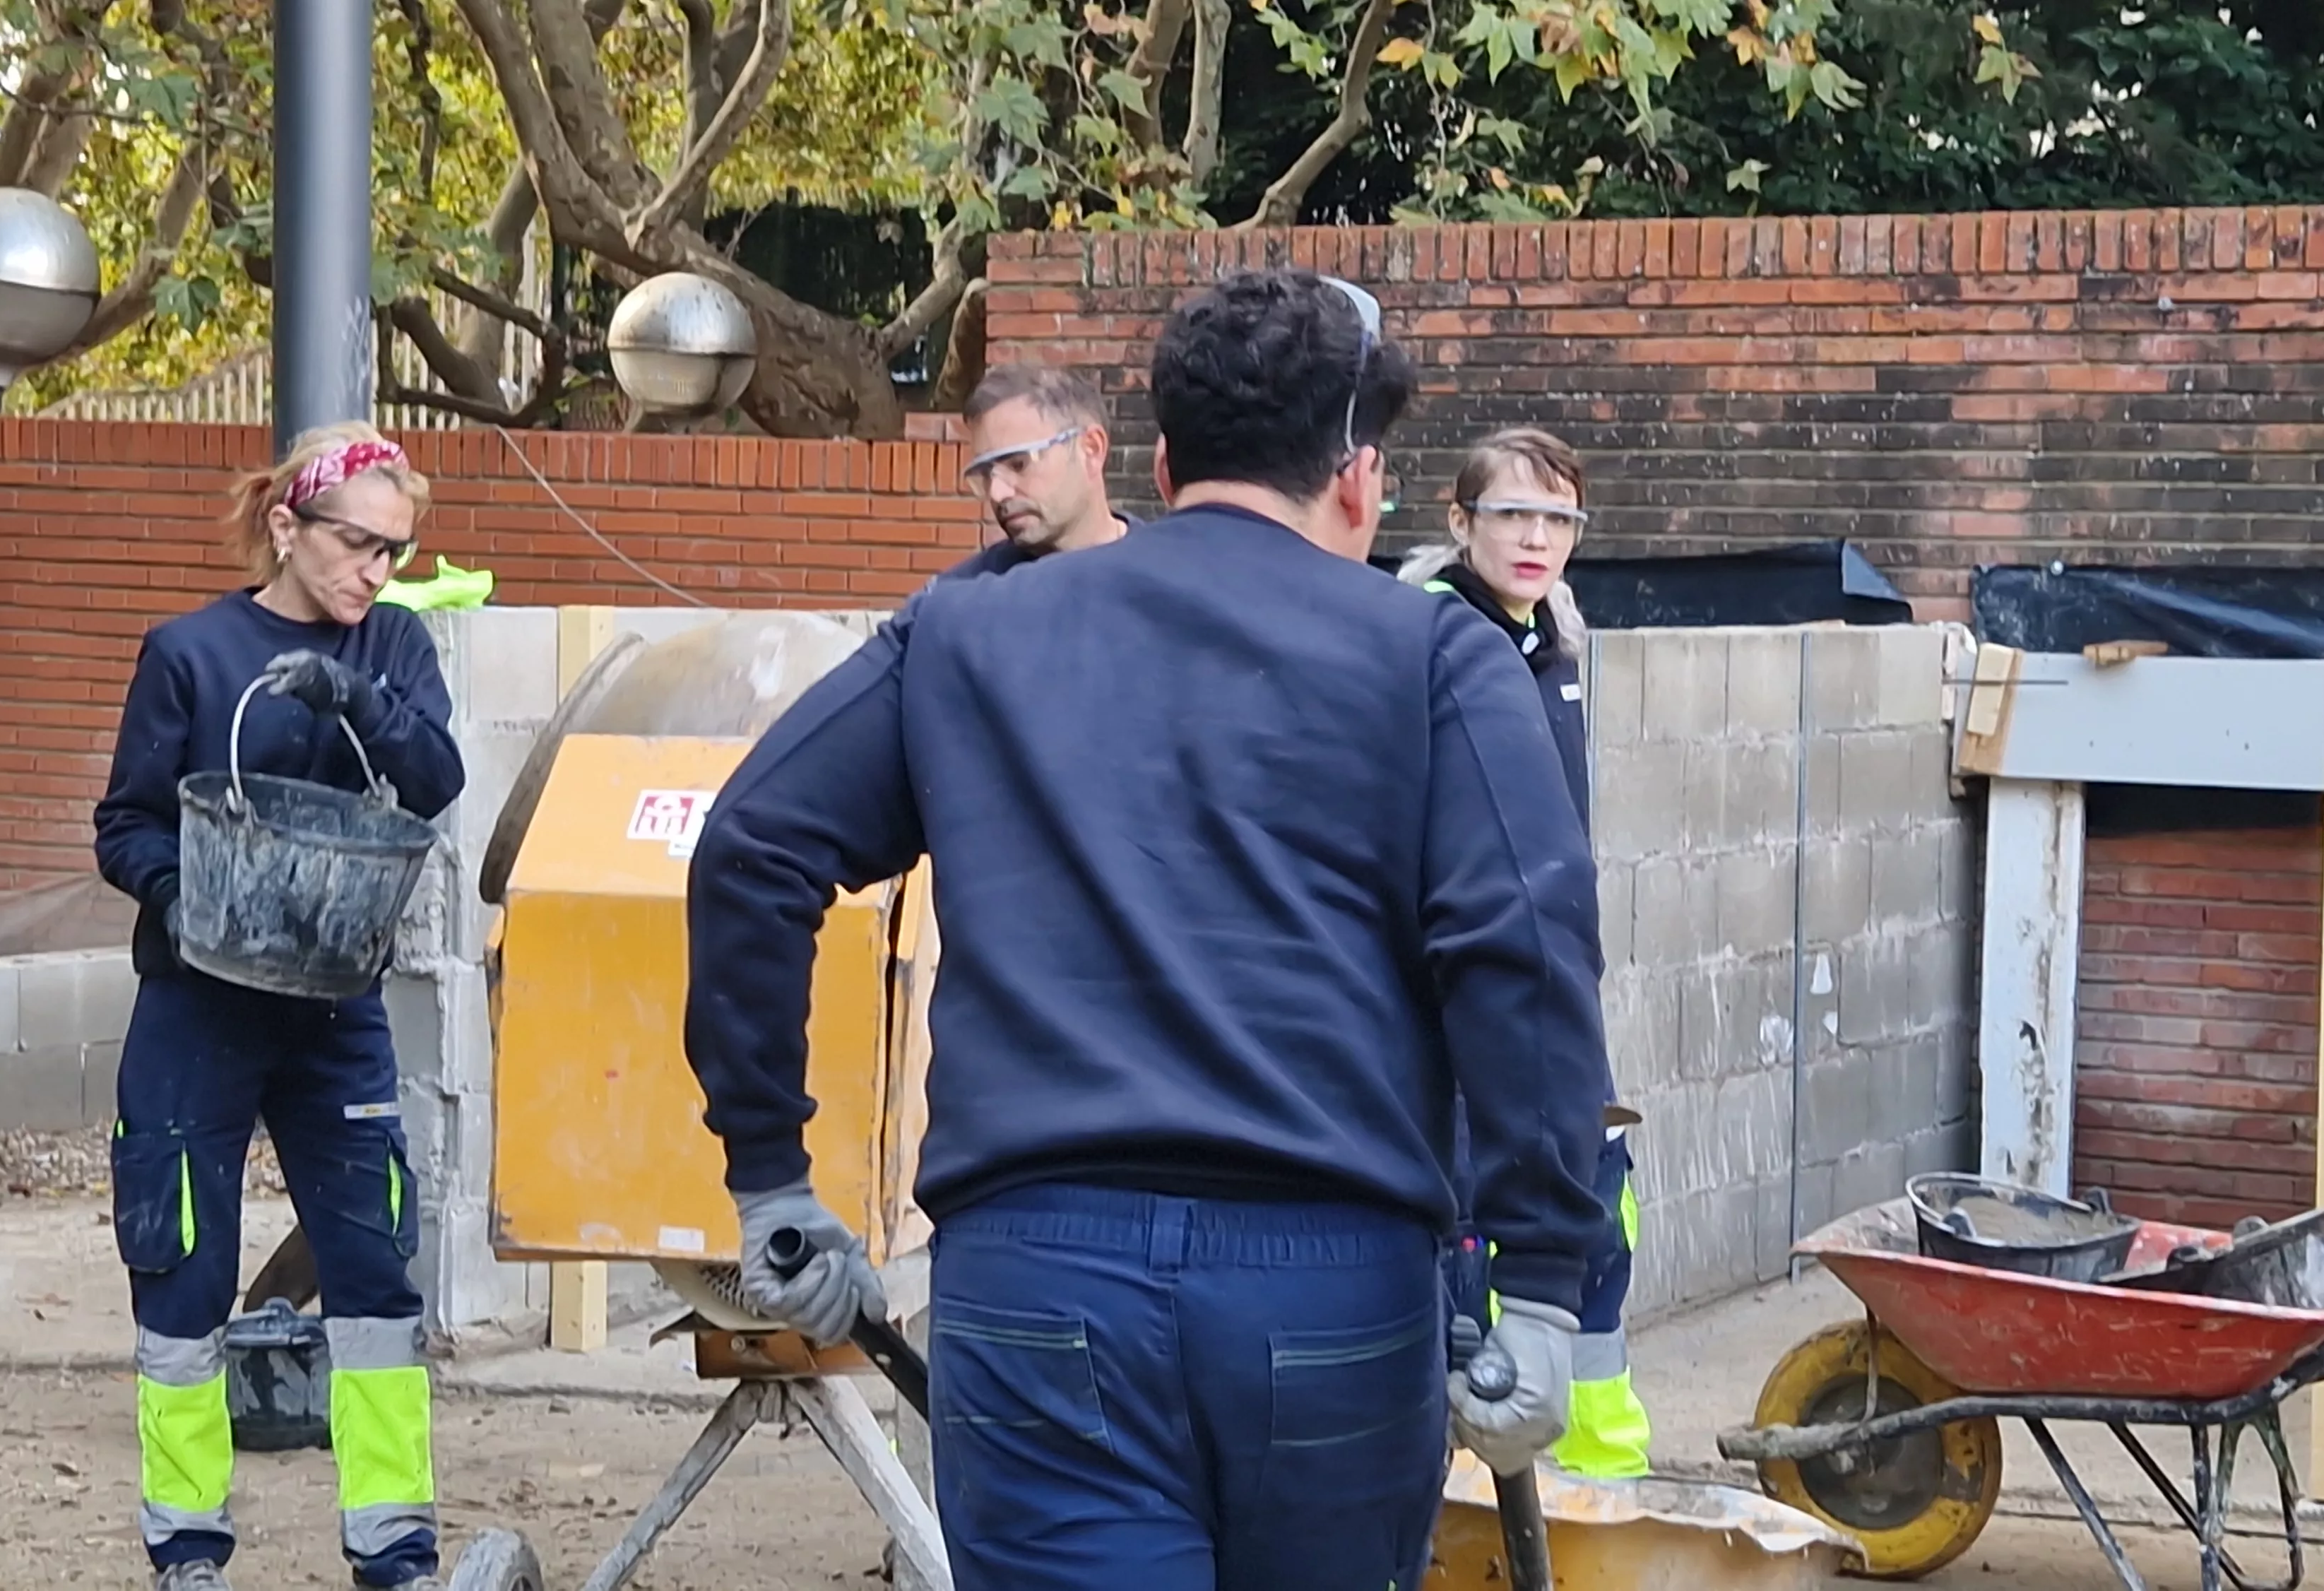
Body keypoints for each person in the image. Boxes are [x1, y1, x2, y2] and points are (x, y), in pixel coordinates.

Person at [680, 267, 1619, 1591]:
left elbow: (752, 844)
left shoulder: (969, 632)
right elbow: (1525, 952)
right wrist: (1544, 1278)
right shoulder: (1436, 660)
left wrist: (771, 1170)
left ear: (1162, 460)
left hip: (1039, 1275)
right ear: (1359, 479)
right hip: (1333, 1292)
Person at [93, 422, 467, 1591]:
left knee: (373, 1275)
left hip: (334, 1007)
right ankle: (188, 1549)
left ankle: (392, 1547)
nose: (374, 571)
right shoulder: (193, 654)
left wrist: (354, 692)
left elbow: (436, 777)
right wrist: (188, 887)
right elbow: (127, 824)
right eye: (355, 544)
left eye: (394, 552)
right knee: (183, 1282)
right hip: (198, 1005)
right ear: (286, 526)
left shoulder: (394, 648)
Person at [1398, 427, 1652, 1483]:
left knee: (1603, 1210)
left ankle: (1596, 1482)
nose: (1537, 537)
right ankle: (1470, 1495)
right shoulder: (1436, 642)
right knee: (1476, 1249)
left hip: (1551, 997)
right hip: (1467, 1005)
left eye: (1558, 519)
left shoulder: (1553, 641)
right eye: (1513, 514)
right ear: (1461, 524)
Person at [942, 362, 1138, 581]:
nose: (998, 493)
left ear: (1091, 449)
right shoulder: (965, 596)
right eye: (987, 474)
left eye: (1019, 464)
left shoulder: (1167, 581)